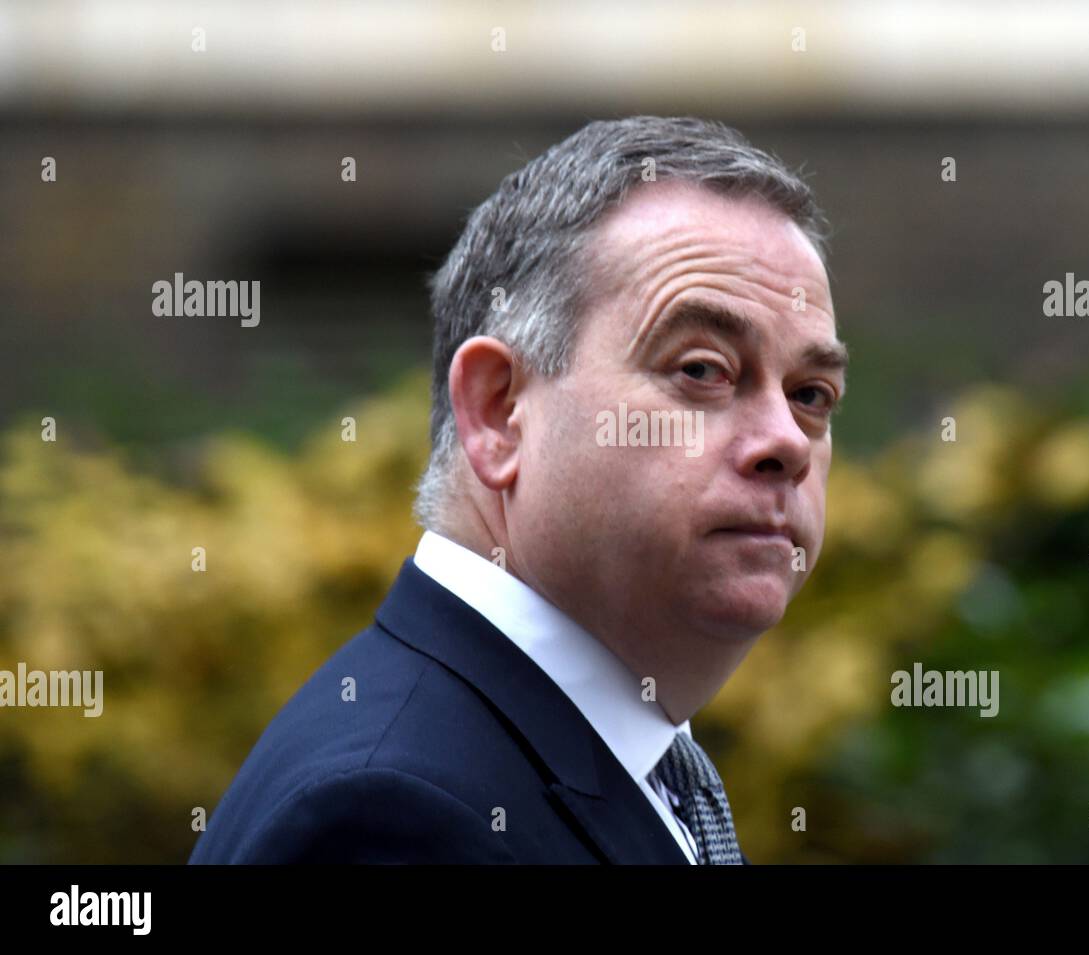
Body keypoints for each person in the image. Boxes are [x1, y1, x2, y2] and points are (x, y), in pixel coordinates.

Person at [189, 115, 847, 864]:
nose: (788, 443)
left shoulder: (614, 761)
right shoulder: (387, 817)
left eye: (812, 393)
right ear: (499, 411)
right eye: (701, 369)